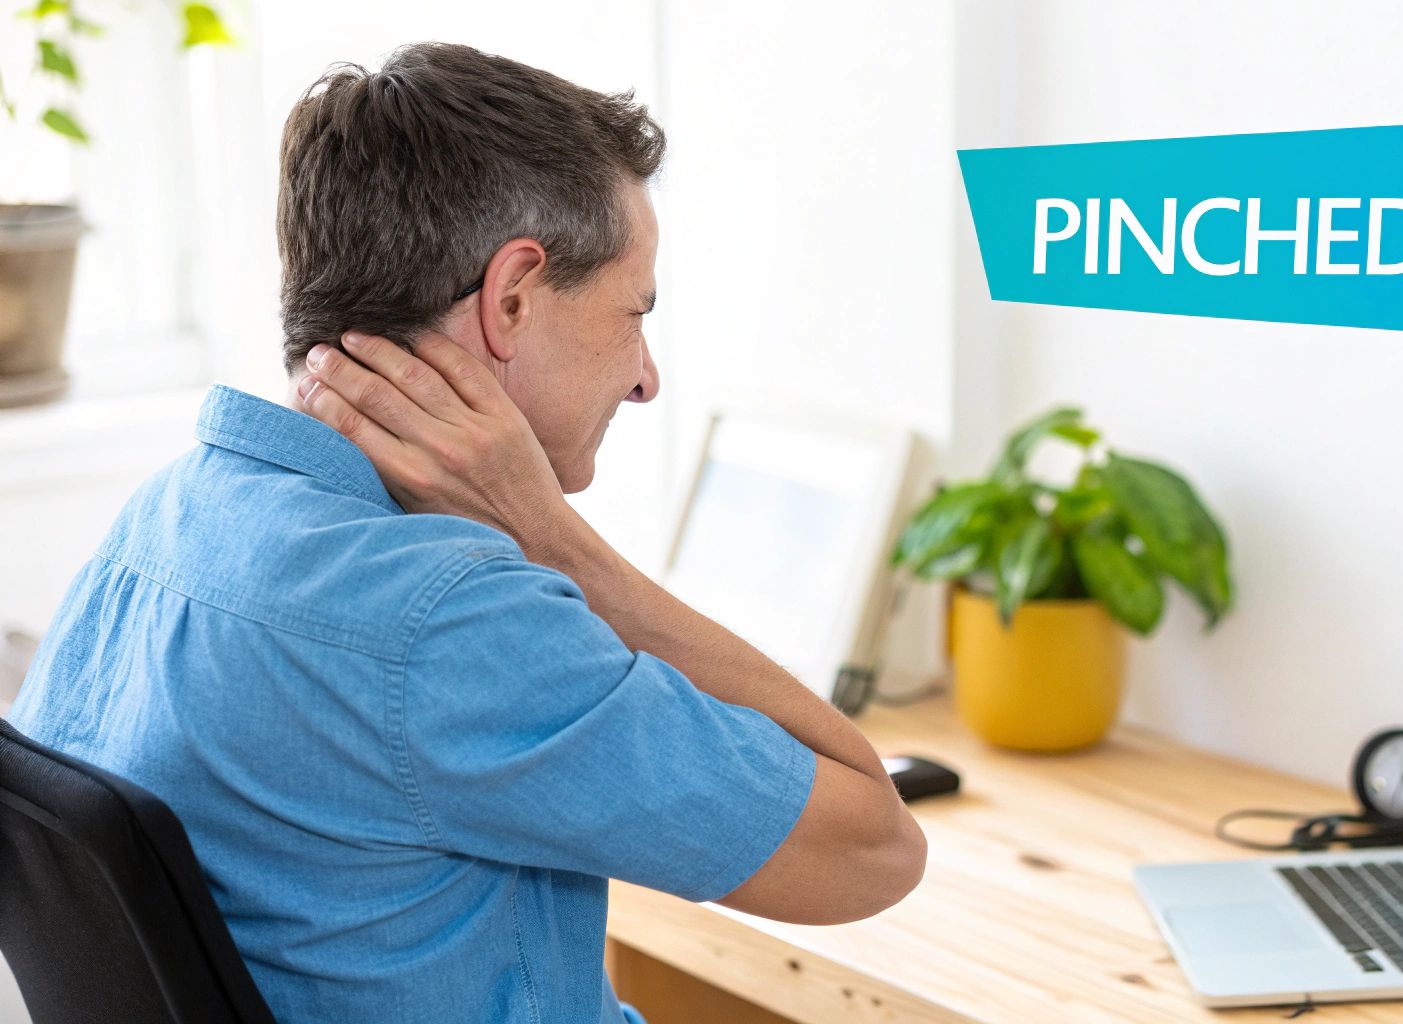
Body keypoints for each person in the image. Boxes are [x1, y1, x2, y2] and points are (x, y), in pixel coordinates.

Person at [9, 42, 925, 1024]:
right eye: (631, 311)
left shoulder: (167, 516)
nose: (645, 374)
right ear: (513, 297)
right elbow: (874, 848)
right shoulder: (447, 620)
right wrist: (552, 537)